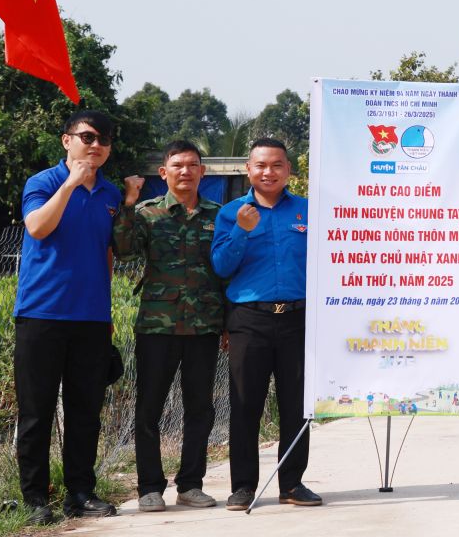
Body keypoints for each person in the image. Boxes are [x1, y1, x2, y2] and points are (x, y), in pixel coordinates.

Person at [14, 110, 124, 524]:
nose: (96, 145)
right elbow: (37, 227)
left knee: (85, 412)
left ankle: (80, 493)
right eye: (88, 137)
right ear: (67, 140)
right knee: (36, 412)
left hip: (91, 318)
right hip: (41, 313)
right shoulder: (43, 182)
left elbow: (107, 254)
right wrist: (70, 184)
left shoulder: (111, 194)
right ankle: (34, 499)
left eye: (104, 139)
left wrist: (106, 313)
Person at [113, 140, 225, 512]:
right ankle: (149, 487)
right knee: (149, 409)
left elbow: (226, 271)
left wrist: (227, 323)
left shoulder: (219, 215)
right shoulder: (147, 213)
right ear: (164, 173)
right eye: (177, 165)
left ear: (202, 172)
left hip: (203, 326)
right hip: (157, 326)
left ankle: (191, 484)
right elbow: (124, 251)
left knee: (200, 409)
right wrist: (129, 204)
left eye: (192, 165)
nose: (185, 171)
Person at [212, 138, 322, 509]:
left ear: (289, 169)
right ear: (248, 170)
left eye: (276, 165)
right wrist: (241, 230)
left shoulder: (308, 211)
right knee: (246, 405)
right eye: (260, 165)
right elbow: (221, 267)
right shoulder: (231, 213)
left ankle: (292, 483)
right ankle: (243, 486)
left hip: (298, 318)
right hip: (249, 320)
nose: (268, 172)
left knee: (296, 406)